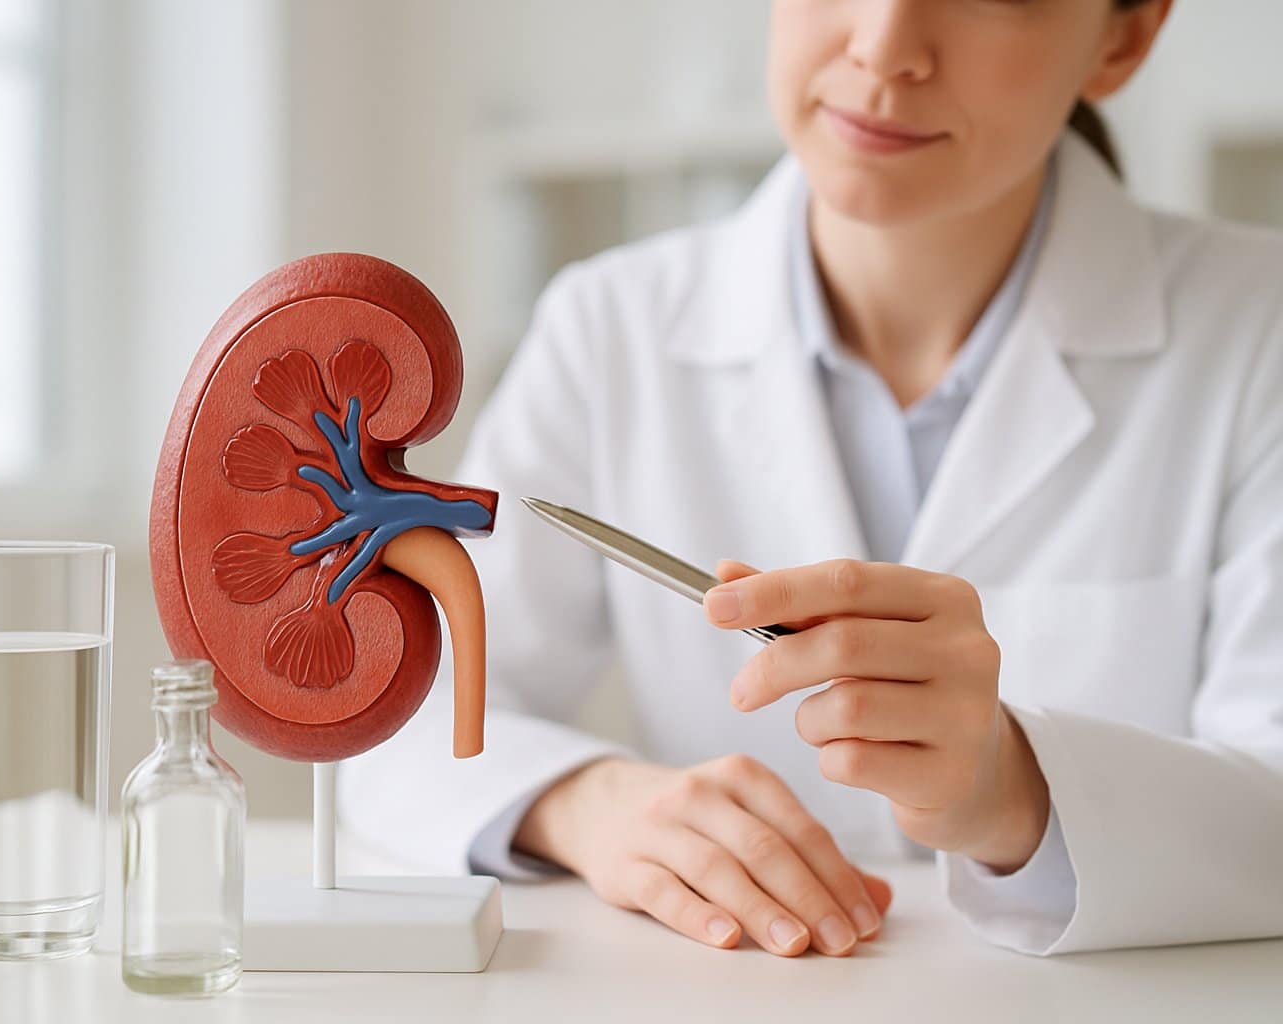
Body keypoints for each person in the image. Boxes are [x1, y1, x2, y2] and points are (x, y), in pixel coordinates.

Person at [339, 0, 1283, 957]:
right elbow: (395, 716)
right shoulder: (608, 329)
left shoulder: (1260, 337)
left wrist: (1016, 790)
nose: (884, 46)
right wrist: (586, 804)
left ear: (1124, 35)